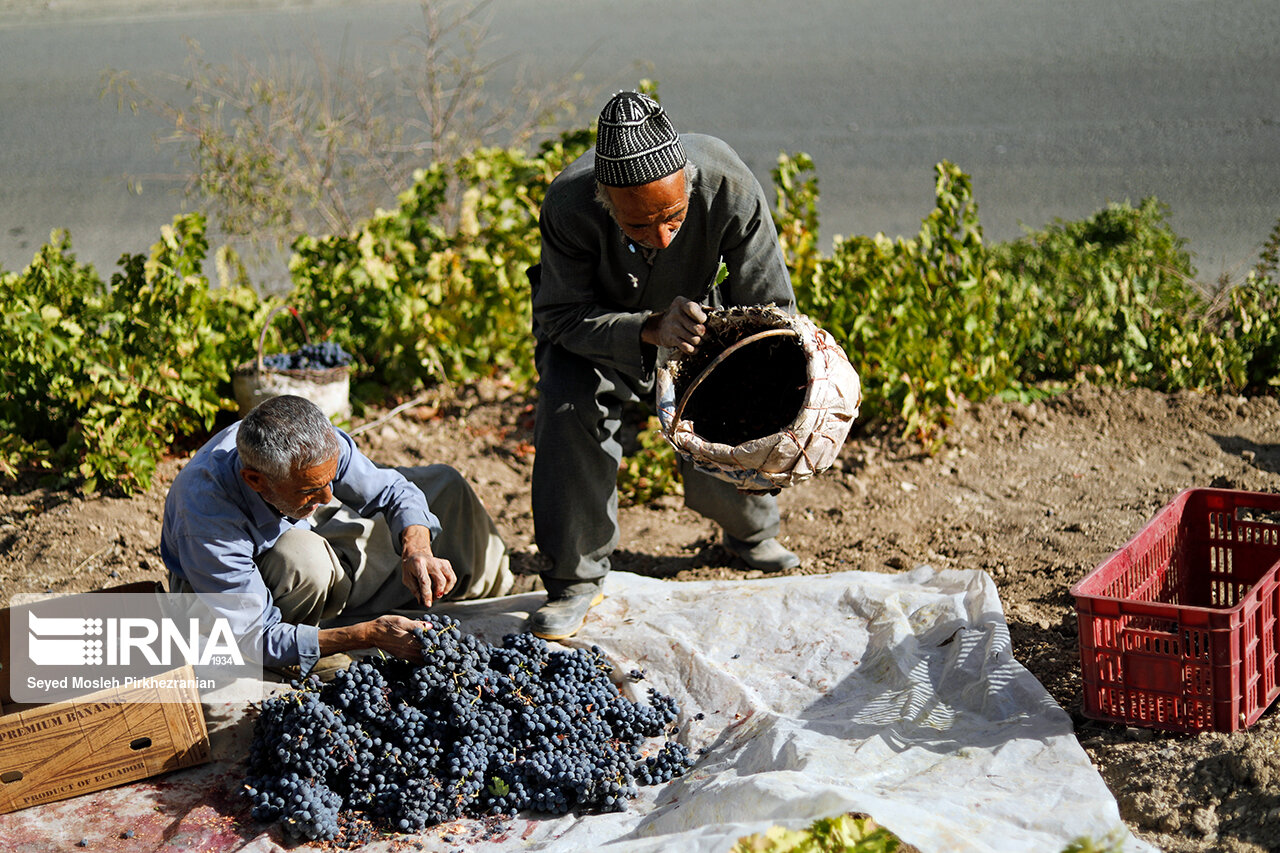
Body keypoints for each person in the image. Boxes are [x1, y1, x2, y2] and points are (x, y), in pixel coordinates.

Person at [526, 91, 800, 641]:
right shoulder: (568, 204)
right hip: (596, 336)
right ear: (604, 200)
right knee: (566, 403)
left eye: (673, 218)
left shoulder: (729, 185)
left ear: (689, 181)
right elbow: (560, 316)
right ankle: (574, 580)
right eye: (639, 227)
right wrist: (647, 329)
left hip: (704, 325)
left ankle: (749, 534)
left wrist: (777, 390)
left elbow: (775, 313)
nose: (663, 238)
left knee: (736, 398)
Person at [161, 394, 512, 677]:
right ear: (255, 480)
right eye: (311, 489)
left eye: (331, 480)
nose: (329, 496)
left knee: (442, 483)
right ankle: (302, 655)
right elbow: (254, 635)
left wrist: (415, 548)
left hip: (292, 524)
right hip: (217, 600)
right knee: (304, 560)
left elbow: (392, 491)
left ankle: (493, 583)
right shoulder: (206, 518)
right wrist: (365, 635)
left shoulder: (309, 444)